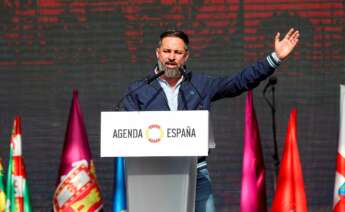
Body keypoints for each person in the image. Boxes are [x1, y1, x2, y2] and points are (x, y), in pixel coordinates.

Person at [123, 29, 299, 212]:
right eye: (167, 51)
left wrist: (275, 58)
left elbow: (239, 82)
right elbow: (127, 134)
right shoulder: (138, 89)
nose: (171, 57)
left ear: (186, 56)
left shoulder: (200, 85)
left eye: (178, 52)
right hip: (154, 174)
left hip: (196, 172)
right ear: (157, 53)